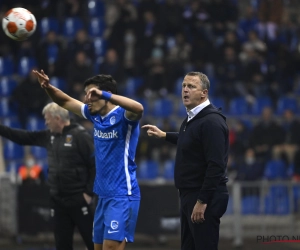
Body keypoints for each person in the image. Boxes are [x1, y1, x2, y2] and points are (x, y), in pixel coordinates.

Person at [32, 69, 144, 250]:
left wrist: (104, 94)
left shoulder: (124, 116)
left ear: (106, 95)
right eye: (86, 95)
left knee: (111, 247)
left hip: (122, 194)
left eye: (91, 94)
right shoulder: (95, 114)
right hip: (103, 195)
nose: (86, 100)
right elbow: (65, 101)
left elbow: (139, 108)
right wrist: (48, 87)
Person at [142, 72, 229, 250]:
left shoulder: (211, 122)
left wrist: (202, 201)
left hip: (203, 198)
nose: (185, 90)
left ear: (204, 93)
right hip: (191, 195)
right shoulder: (194, 119)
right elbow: (190, 138)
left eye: (191, 86)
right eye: (183, 86)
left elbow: (216, 166)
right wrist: (164, 135)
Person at [0, 102, 95, 250]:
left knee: (93, 242)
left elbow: (94, 165)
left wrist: (89, 193)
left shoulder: (80, 136)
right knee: (62, 245)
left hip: (78, 199)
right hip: (58, 201)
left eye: (47, 118)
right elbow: (23, 137)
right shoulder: (49, 136)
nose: (45, 122)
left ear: (57, 119)